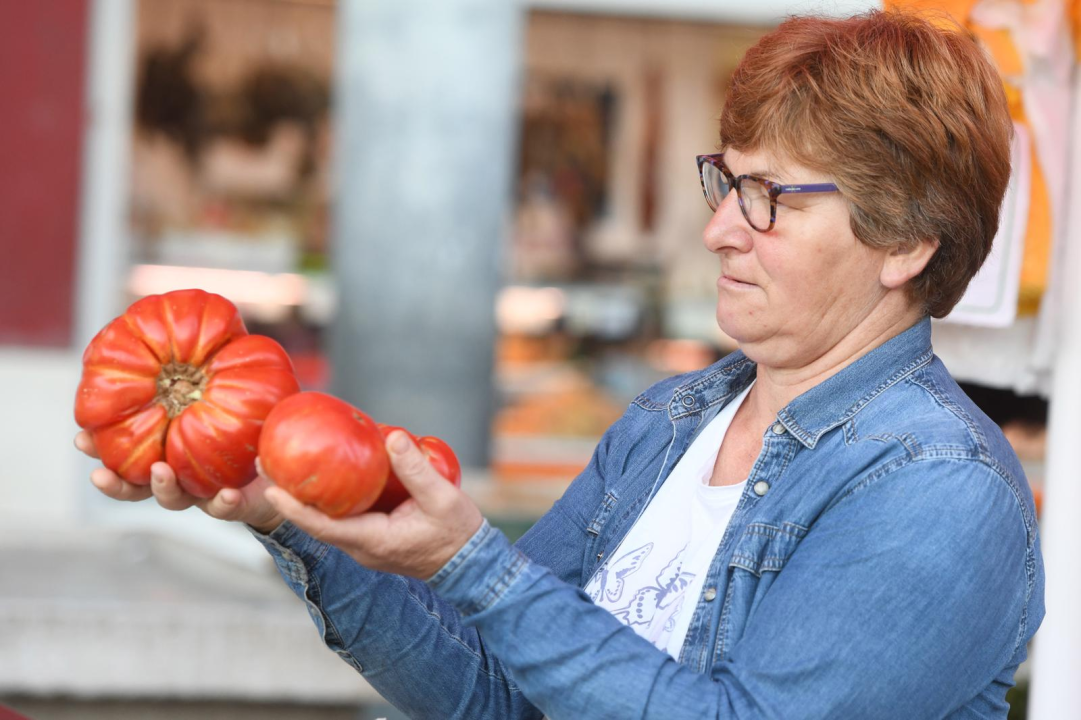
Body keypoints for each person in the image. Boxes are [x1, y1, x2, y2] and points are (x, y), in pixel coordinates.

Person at [76, 9, 1044, 719]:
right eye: (724, 182)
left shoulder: (939, 490)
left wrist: (475, 568)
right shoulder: (671, 422)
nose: (716, 230)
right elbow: (492, 695)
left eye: (770, 199)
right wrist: (291, 526)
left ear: (906, 242)